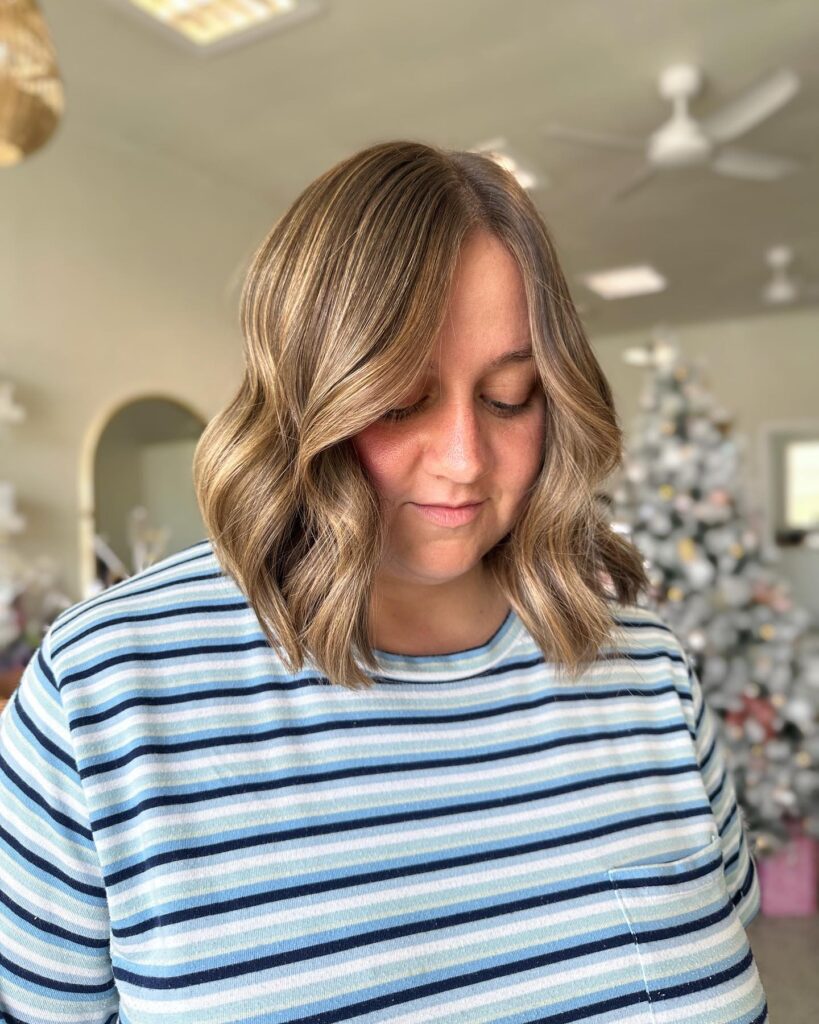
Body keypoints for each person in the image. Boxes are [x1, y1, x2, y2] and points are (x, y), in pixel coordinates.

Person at [0, 140, 767, 1023]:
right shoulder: (103, 689)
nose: (463, 461)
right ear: (302, 396)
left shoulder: (647, 670)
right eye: (399, 400)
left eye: (508, 396)